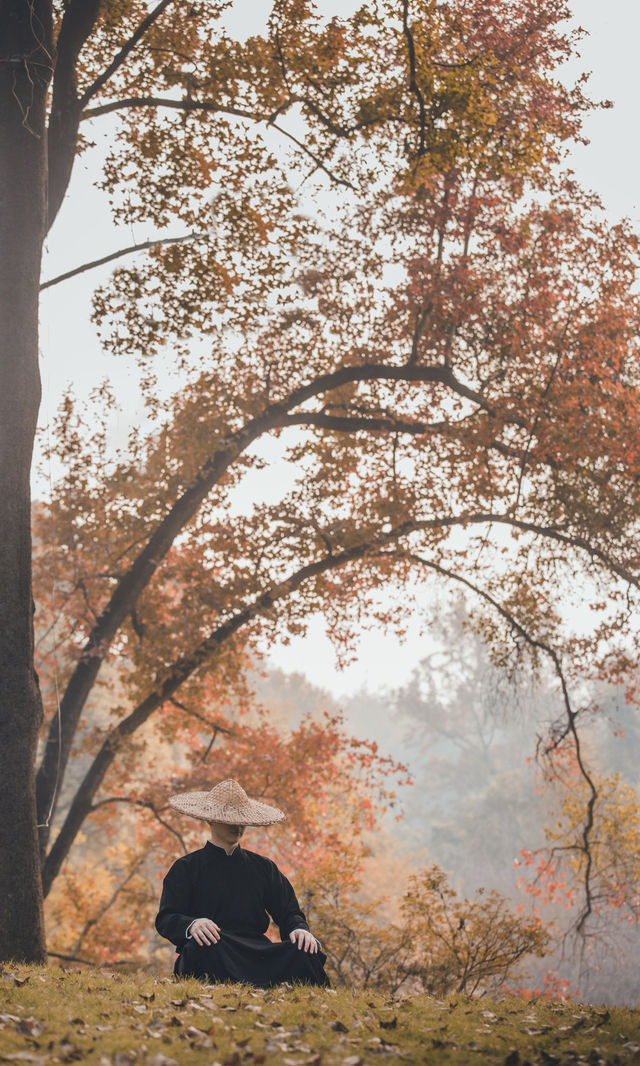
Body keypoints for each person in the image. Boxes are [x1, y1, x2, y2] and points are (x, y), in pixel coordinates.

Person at [155, 778, 329, 987]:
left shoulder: (263, 868)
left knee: (304, 950)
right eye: (230, 819)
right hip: (215, 948)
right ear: (210, 820)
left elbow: (289, 913)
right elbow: (167, 917)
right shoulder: (186, 867)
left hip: (257, 952)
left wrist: (299, 929)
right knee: (203, 947)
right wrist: (192, 925)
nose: (238, 826)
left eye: (241, 819)